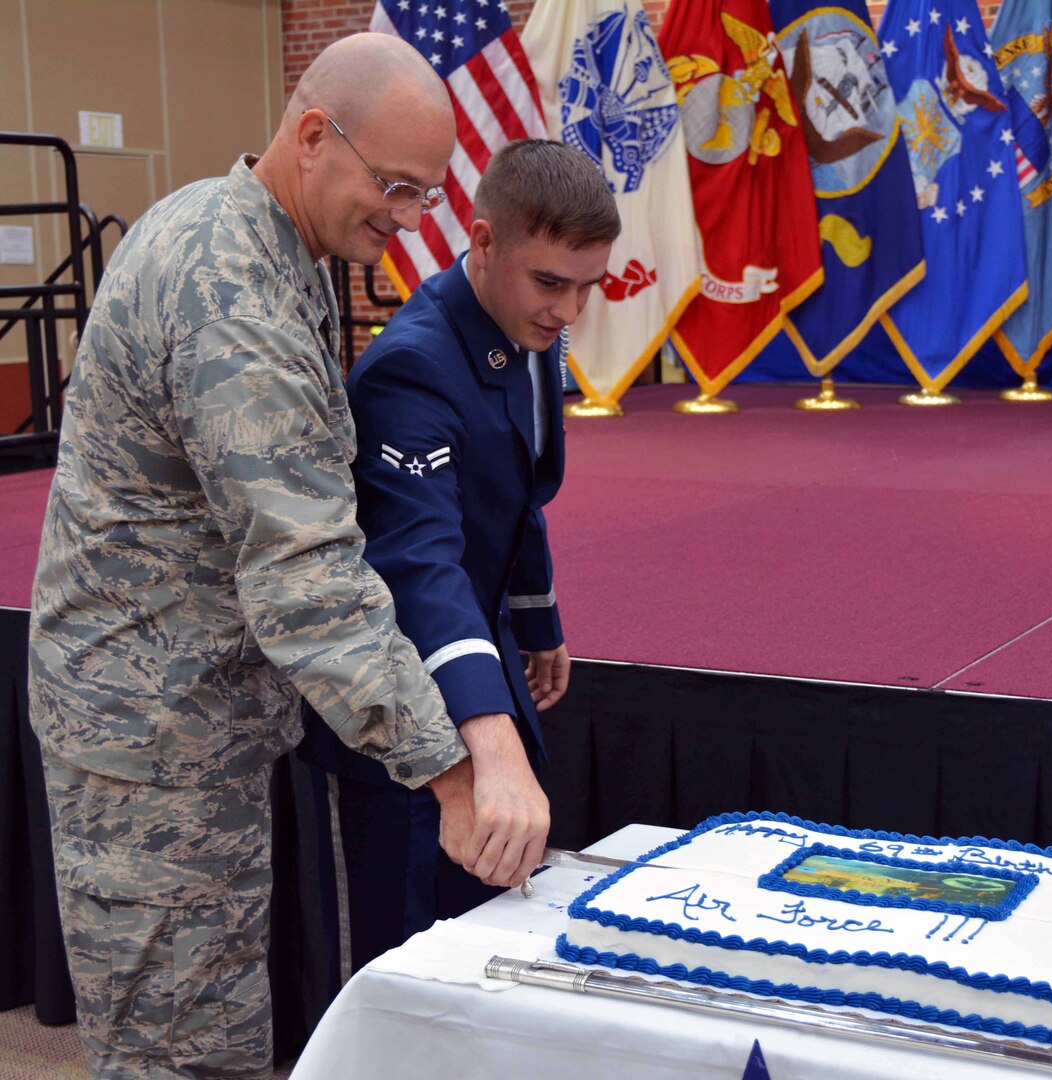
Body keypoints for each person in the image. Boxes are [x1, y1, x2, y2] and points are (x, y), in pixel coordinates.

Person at [27, 33, 548, 1080]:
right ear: (314, 136)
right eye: (395, 188)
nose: (407, 223)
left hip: (190, 718)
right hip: (151, 744)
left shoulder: (269, 244)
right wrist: (453, 769)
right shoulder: (231, 288)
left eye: (424, 197)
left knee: (210, 1026)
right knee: (180, 1054)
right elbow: (306, 575)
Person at [295, 139, 619, 980]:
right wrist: (490, 735)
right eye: (552, 282)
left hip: (483, 654)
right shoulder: (414, 367)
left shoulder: (522, 323)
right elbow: (418, 569)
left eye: (590, 285)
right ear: (482, 241)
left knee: (484, 934)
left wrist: (535, 614)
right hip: (404, 708)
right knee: (404, 956)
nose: (570, 310)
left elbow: (513, 485)